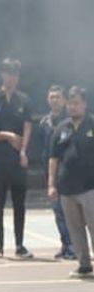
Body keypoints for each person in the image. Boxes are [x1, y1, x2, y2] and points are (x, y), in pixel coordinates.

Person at [0, 58, 33, 259]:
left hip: (17, 162)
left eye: (15, 74)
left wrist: (23, 151)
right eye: (8, 73)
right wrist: (7, 136)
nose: (11, 77)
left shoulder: (24, 100)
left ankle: (20, 245)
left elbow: (28, 127)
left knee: (19, 204)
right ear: (2, 75)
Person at [48, 86, 94, 279]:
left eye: (76, 103)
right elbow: (53, 158)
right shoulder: (61, 129)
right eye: (70, 104)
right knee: (75, 229)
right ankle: (84, 264)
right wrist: (51, 184)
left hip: (90, 187)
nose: (72, 107)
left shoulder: (92, 124)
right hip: (66, 188)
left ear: (84, 104)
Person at [39, 85, 74, 260]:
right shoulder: (44, 123)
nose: (55, 100)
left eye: (58, 97)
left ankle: (73, 245)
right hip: (50, 173)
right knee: (58, 211)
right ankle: (66, 244)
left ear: (64, 100)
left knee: (71, 212)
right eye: (52, 97)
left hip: (68, 174)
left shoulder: (71, 122)